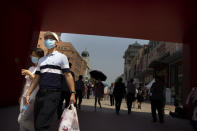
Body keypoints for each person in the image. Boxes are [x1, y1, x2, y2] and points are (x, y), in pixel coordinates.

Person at [25, 32, 76, 131]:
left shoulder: (62, 57)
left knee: (42, 125)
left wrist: (73, 93)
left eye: (51, 38)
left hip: (52, 94)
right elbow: (36, 78)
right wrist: (28, 93)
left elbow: (68, 75)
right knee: (37, 123)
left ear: (56, 43)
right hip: (40, 94)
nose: (48, 40)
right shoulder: (41, 60)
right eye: (46, 38)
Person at [18, 48, 44, 131]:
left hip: (31, 98)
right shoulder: (30, 68)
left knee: (22, 119)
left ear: (39, 57)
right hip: (24, 97)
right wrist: (21, 96)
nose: (31, 57)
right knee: (23, 115)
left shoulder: (41, 69)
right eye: (31, 55)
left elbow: (37, 81)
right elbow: (26, 84)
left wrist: (29, 73)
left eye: (34, 55)